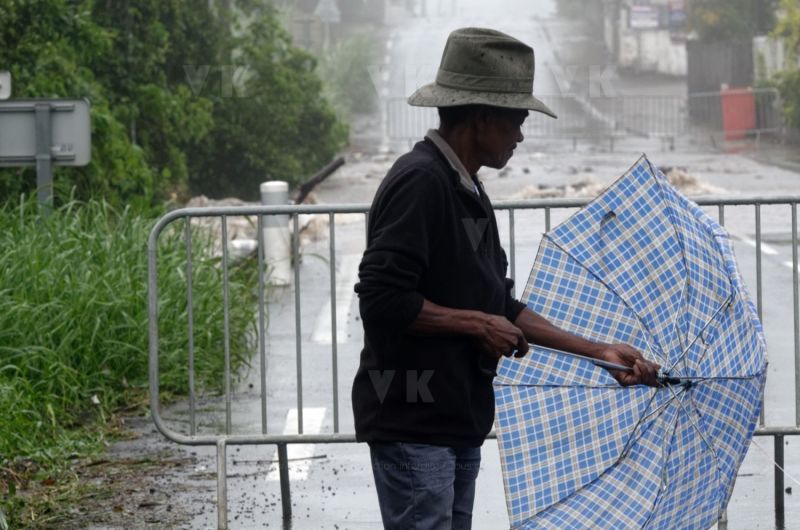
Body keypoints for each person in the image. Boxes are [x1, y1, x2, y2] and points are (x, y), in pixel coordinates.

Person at [351, 27, 661, 530]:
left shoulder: (469, 188)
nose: (520, 135)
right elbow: (383, 299)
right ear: (481, 117)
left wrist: (597, 351)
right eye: (516, 120)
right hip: (413, 418)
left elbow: (503, 306)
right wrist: (476, 325)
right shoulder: (420, 182)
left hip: (457, 416)